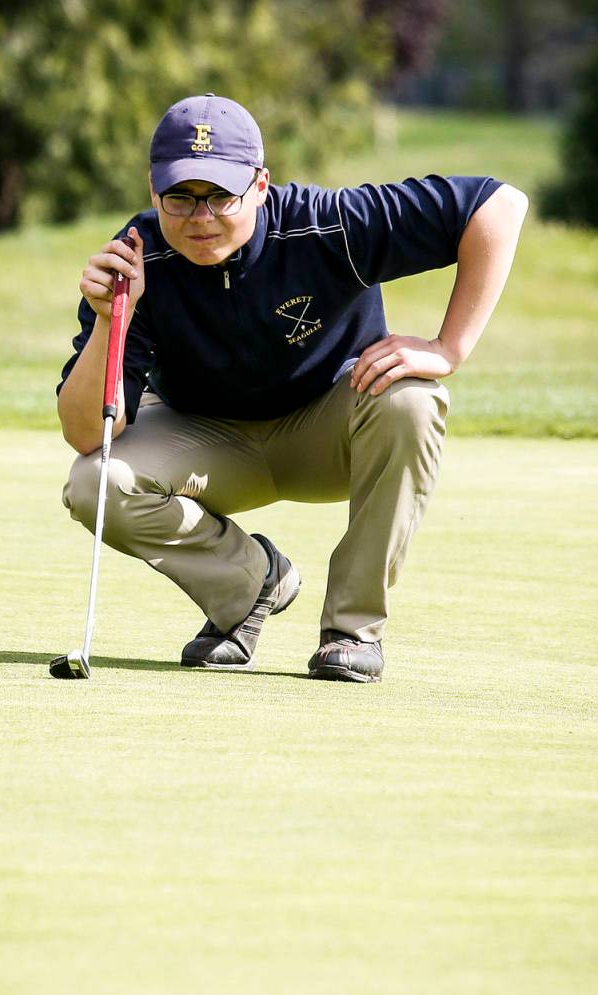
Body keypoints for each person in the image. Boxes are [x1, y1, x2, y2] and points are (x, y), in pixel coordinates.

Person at [56, 93, 527, 683]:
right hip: (208, 444)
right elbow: (86, 434)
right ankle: (250, 584)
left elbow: (498, 205)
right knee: (94, 482)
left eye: (221, 195)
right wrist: (111, 320)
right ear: (154, 191)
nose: (200, 217)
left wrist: (449, 347)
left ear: (259, 185)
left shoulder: (327, 224)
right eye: (181, 196)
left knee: (412, 398)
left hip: (330, 434)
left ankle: (351, 630)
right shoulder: (134, 261)